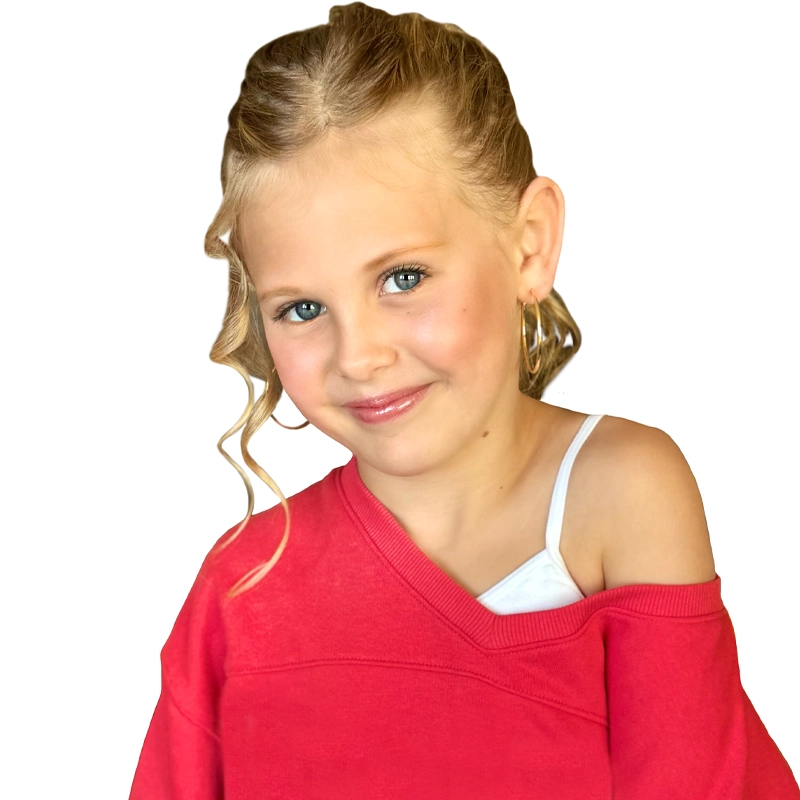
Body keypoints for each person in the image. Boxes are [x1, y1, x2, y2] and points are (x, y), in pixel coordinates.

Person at [128, 3, 800, 797]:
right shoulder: (241, 586)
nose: (361, 356)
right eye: (301, 308)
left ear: (528, 245)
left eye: (402, 278)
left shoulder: (620, 495)